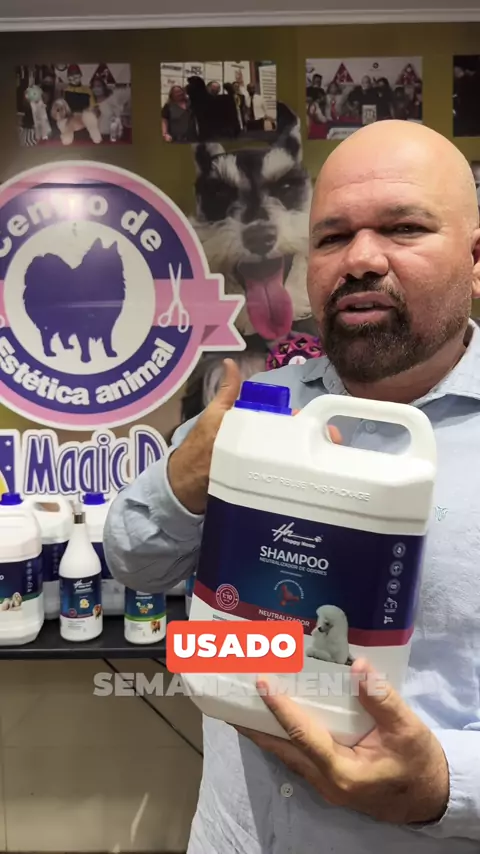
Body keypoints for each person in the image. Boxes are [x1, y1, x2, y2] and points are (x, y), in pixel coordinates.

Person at [104, 119, 480, 853]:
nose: (360, 258)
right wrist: (187, 478)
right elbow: (134, 560)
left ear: (474, 259)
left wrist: (445, 783)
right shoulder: (250, 409)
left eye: (403, 228)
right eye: (333, 236)